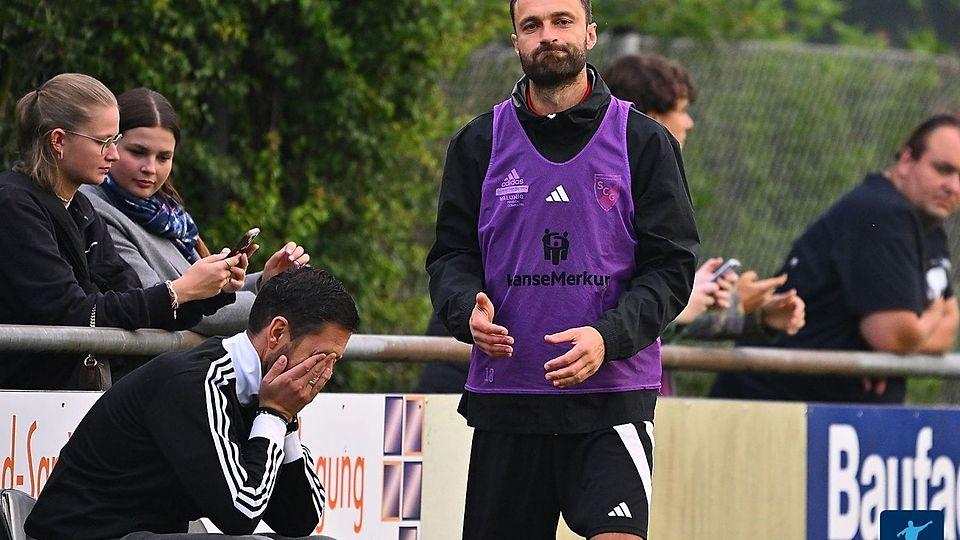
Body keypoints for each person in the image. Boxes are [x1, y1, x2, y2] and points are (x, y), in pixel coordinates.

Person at [425, 0, 699, 538]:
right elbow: (451, 259)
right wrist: (465, 311)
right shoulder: (477, 143)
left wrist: (607, 337)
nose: (547, 35)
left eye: (562, 21)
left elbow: (671, 268)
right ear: (516, 41)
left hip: (611, 398)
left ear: (591, 34)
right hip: (510, 399)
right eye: (532, 25)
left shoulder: (644, 142)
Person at [25, 267, 358, 540]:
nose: (323, 375)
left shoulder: (260, 390)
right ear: (277, 333)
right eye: (319, 358)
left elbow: (298, 521)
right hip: (87, 533)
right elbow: (240, 515)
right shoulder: (197, 382)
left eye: (334, 362)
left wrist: (285, 420)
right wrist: (275, 414)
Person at [0, 73, 246, 390]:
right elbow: (77, 314)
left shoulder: (80, 209)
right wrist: (179, 290)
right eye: (104, 142)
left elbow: (133, 304)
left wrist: (213, 290)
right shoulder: (14, 206)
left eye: (115, 141)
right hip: (20, 407)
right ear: (58, 140)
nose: (113, 154)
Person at [710, 114, 960, 403]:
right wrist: (926, 320)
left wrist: (893, 351)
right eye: (943, 169)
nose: (953, 186)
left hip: (835, 423)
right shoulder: (882, 212)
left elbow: (946, 331)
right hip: (776, 412)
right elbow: (894, 336)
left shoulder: (929, 229)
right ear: (906, 160)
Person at [604, 53, 806, 395]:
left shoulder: (657, 186)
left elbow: (655, 316)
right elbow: (602, 306)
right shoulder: (606, 190)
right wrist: (684, 302)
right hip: (606, 400)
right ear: (650, 119)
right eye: (681, 110)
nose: (689, 123)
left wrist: (749, 314)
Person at [81, 88, 310, 337]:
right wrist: (280, 300)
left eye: (163, 157)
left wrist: (267, 281)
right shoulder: (95, 209)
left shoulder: (167, 216)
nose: (150, 168)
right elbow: (174, 306)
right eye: (138, 152)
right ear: (111, 146)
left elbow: (201, 295)